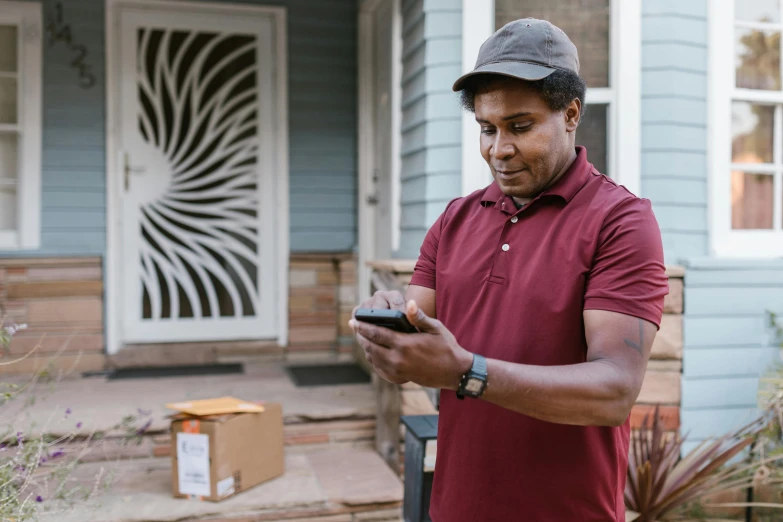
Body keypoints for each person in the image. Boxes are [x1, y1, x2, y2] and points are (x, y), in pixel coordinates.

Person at [350, 18, 668, 521]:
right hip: (454, 509)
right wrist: (387, 329)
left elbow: (614, 391)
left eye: (520, 127)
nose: (498, 149)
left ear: (570, 113)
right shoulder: (454, 220)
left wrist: (466, 373)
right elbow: (416, 346)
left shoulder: (620, 222)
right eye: (486, 128)